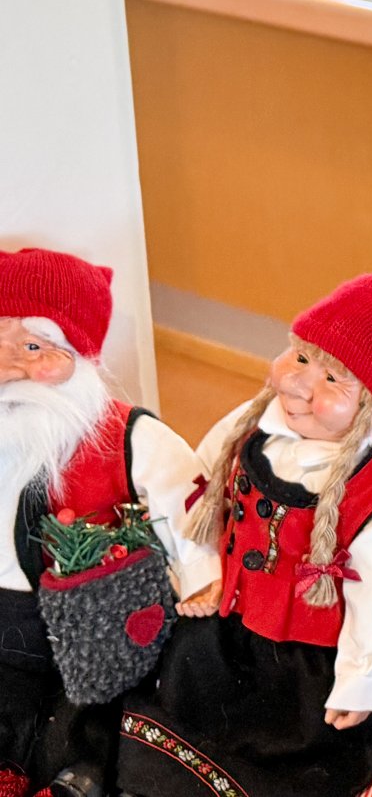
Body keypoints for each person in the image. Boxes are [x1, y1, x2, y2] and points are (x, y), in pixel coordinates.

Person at [119, 270, 372, 797]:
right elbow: (200, 491)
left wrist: (360, 682)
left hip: (312, 657)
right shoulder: (251, 425)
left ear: (370, 402)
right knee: (185, 699)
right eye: (300, 358)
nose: (299, 385)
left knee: (299, 756)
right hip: (232, 620)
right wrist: (203, 570)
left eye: (332, 379)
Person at [0, 247, 217, 797]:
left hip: (87, 629)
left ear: (80, 357)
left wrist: (201, 575)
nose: (8, 366)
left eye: (33, 348)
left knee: (91, 721)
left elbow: (189, 503)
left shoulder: (126, 436)